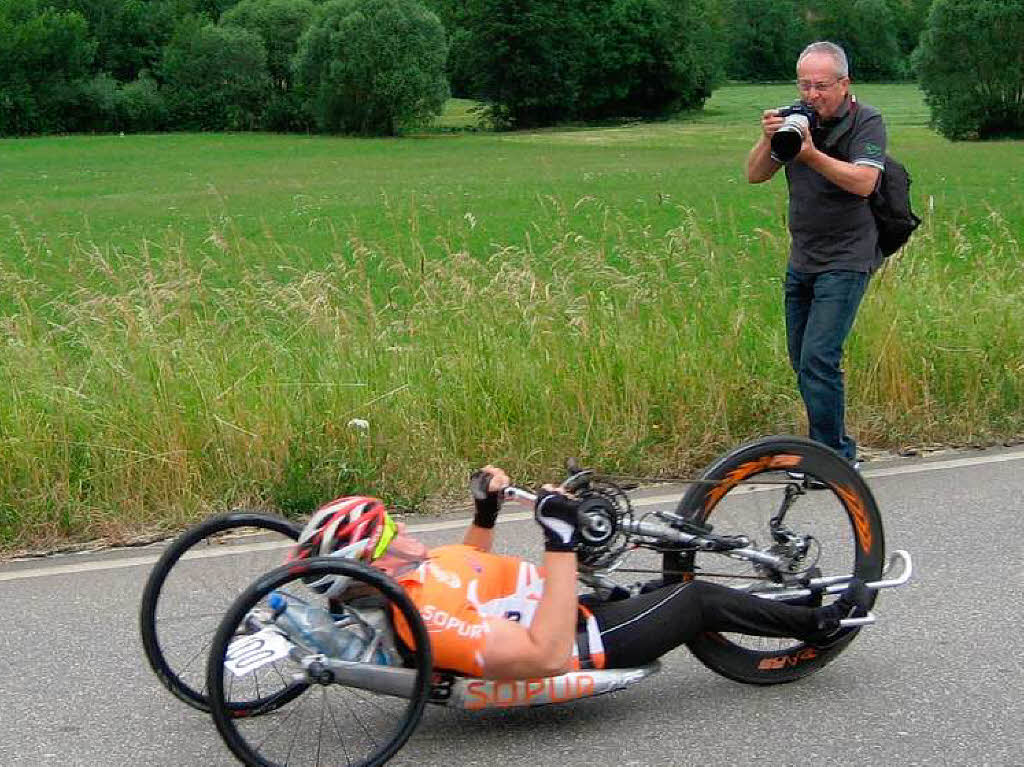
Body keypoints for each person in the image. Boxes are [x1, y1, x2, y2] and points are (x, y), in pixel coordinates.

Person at [289, 466, 873, 680]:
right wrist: (558, 541)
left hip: (566, 608)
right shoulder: (427, 619)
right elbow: (542, 657)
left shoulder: (418, 575)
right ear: (370, 564)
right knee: (693, 601)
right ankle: (818, 625)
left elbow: (469, 567)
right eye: (390, 533)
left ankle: (778, 606)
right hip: (577, 639)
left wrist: (484, 513)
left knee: (655, 584)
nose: (406, 532)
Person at [746, 41, 887, 468]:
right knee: (801, 359)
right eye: (804, 84)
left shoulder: (868, 122)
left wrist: (811, 154)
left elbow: (864, 182)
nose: (811, 95)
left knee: (819, 357)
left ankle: (833, 460)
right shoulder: (796, 118)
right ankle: (826, 448)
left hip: (848, 255)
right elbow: (755, 175)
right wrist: (769, 138)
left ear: (844, 84)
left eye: (821, 86)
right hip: (804, 255)